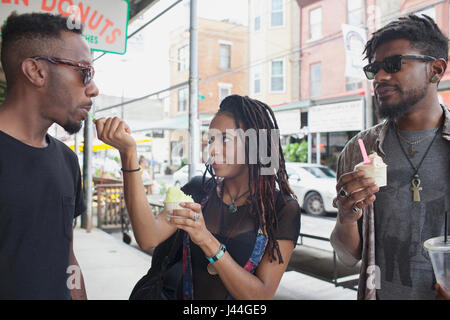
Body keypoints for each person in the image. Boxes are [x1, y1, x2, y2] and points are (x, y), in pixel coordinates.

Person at [95, 94, 301, 299]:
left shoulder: (282, 209)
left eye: (225, 139)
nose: (211, 149)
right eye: (211, 139)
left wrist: (206, 240)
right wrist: (129, 154)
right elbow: (148, 237)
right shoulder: (199, 191)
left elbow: (261, 296)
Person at [330, 15, 450, 300]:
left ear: (436, 70)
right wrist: (347, 216)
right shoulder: (358, 150)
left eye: (394, 65)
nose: (380, 78)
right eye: (375, 69)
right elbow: (348, 256)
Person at [0, 12, 99, 299]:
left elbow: (67, 256)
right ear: (36, 71)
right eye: (84, 71)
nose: (93, 88)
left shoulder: (67, 161)